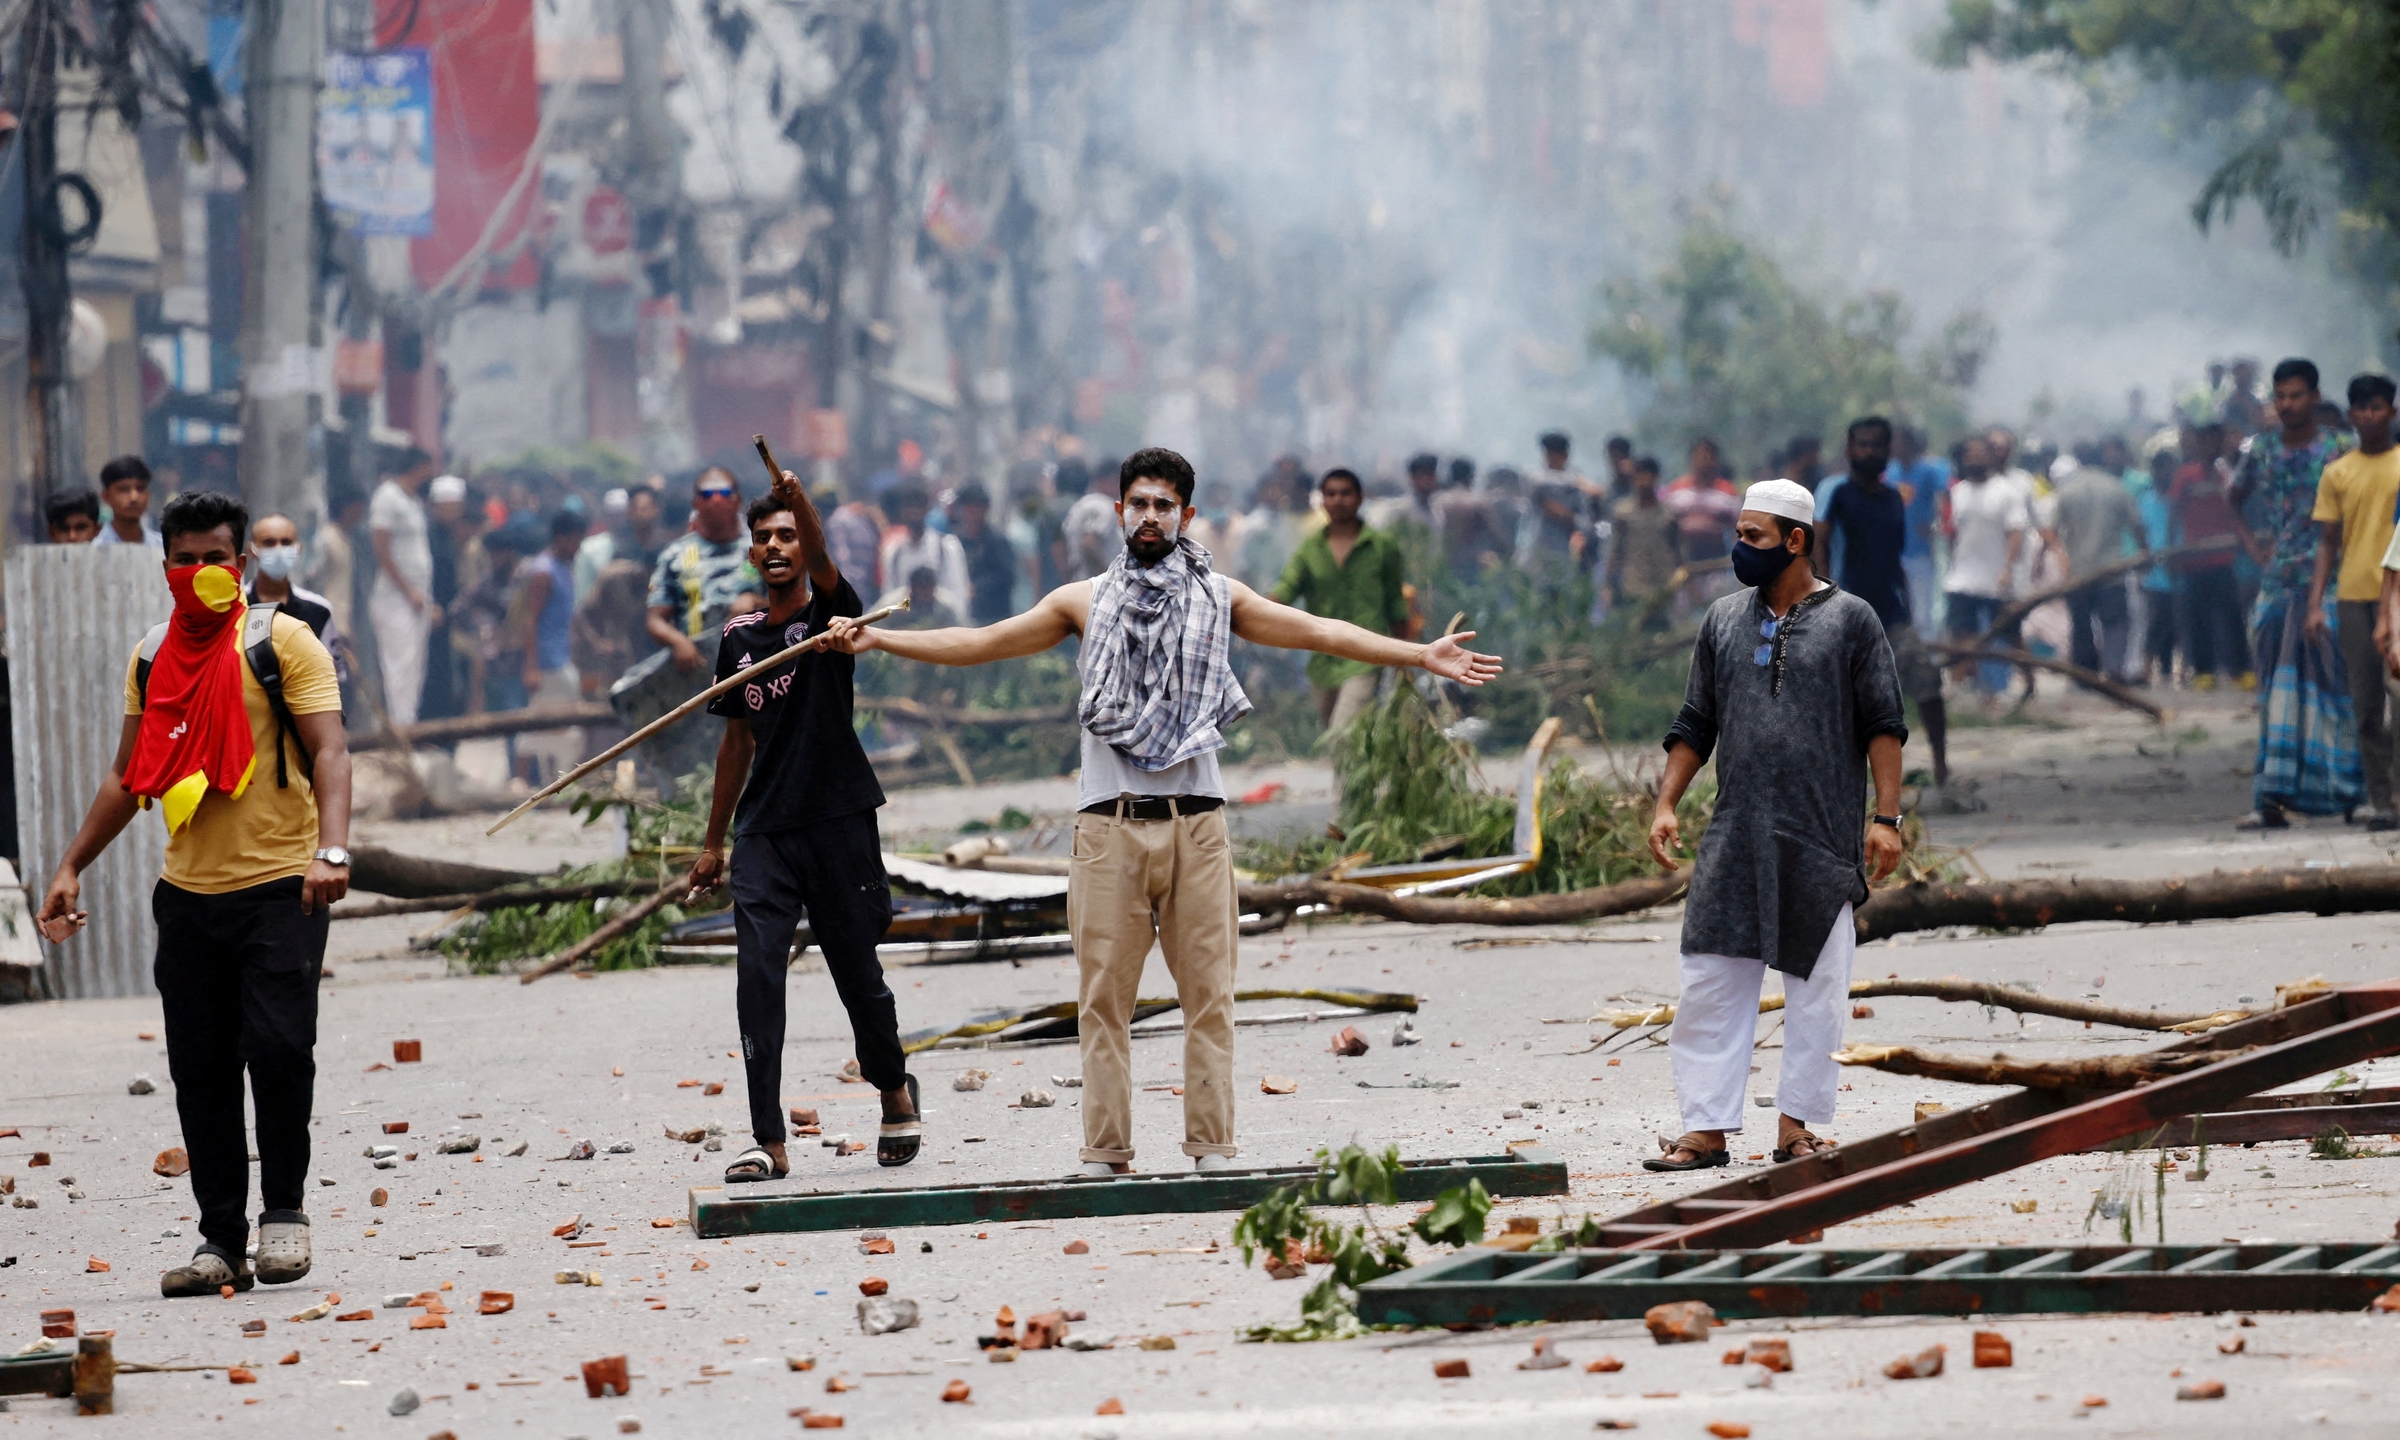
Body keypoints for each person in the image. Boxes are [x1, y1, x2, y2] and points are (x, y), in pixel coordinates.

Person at [823, 447, 1501, 1177]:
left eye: (1164, 505)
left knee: (1208, 996)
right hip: (1107, 826)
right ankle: (1105, 1154)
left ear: (1187, 516)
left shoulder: (1221, 596)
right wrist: (879, 638)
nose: (1151, 517)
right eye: (1139, 504)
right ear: (1120, 512)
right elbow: (983, 644)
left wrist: (1416, 655)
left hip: (1197, 825)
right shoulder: (1078, 601)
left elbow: (1319, 630)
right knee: (1103, 1002)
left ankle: (1211, 1149)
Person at [35, 490, 351, 1297]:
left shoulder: (284, 643)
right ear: (164, 565)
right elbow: (127, 774)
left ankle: (284, 1214)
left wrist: (332, 850)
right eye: (185, 559)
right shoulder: (151, 654)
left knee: (280, 1050)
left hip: (284, 886)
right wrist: (73, 863)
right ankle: (220, 1239)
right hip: (187, 895)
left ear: (241, 564)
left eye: (215, 557)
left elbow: (331, 755)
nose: (201, 571)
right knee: (201, 1070)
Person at [1641, 478, 1906, 1172]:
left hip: (1818, 838)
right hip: (1735, 836)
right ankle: (1705, 1130)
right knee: (1709, 980)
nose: (1738, 548)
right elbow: (1696, 721)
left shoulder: (1853, 620)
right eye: (1738, 534)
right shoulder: (1723, 620)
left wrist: (1886, 818)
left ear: (1795, 541)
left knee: (1818, 992)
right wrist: (1666, 802)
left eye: (1752, 537)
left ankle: (1796, 1128)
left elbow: (1883, 724)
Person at [683, 473, 919, 1182]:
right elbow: (735, 745)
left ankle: (894, 1089)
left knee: (857, 973)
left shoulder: (832, 622)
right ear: (753, 557)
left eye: (787, 534)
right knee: (757, 976)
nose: (776, 546)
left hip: (839, 821)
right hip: (765, 831)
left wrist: (801, 500)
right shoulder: (738, 639)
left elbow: (823, 563)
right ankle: (768, 1140)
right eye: (765, 539)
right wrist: (712, 841)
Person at [2228, 358, 2361, 829]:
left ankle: (2350, 793)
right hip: (2280, 583)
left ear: (2315, 397)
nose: (2287, 405)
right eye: (2280, 396)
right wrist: (2254, 545)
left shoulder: (2342, 448)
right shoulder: (2261, 449)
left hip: (2337, 581)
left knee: (2336, 686)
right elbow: (2234, 497)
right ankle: (2272, 797)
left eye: (2296, 395)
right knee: (2276, 692)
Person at [1816, 418, 1948, 785]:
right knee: (1843, 696)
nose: (1869, 451)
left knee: (1926, 682)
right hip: (1845, 610)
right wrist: (1824, 595)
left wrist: (1907, 604)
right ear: (1849, 450)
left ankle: (1941, 765)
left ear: (1888, 451)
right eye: (1862, 444)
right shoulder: (1838, 495)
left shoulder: (1892, 498)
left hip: (1890, 611)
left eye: (1876, 445)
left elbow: (1895, 558)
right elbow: (1819, 542)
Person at [2307, 374, 2400, 830]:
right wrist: (2314, 602)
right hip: (2352, 594)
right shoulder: (2338, 473)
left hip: (2398, 596)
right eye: (2361, 409)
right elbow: (2327, 541)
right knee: (2365, 703)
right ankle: (2382, 799)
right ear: (2351, 415)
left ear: (2392, 413)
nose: (2369, 416)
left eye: (2377, 407)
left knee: (2398, 696)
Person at [1273, 467, 1410, 736]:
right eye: (1331, 494)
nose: (1338, 500)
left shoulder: (1383, 547)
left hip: (1367, 653)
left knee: (1342, 732)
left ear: (1360, 498)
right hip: (1324, 658)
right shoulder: (1309, 550)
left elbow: (1396, 602)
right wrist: (1253, 608)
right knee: (1336, 737)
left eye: (1346, 493)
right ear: (1322, 501)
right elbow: (1285, 589)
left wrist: (1405, 655)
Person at [646, 466, 762, 673]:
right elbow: (655, 618)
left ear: (737, 500)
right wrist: (678, 641)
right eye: (707, 494)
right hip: (699, 666)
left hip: (756, 658)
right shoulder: (675, 555)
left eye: (724, 493)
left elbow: (798, 605)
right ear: (696, 503)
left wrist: (756, 603)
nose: (716, 500)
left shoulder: (762, 546)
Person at [1941, 435, 2032, 694]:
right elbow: (1953, 532)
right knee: (1962, 634)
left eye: (1981, 455)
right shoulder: (1958, 492)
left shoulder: (2006, 491)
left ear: (1991, 458)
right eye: (1970, 456)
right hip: (1963, 577)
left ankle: (2029, 682)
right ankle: (1965, 685)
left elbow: (2016, 531)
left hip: (1996, 578)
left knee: (2010, 634)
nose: (1975, 460)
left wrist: (2008, 567)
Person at [2050, 442, 2147, 683]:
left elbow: (2051, 529)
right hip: (2111, 571)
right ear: (2102, 459)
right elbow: (2136, 525)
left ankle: (2084, 674)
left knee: (2081, 624)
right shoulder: (2116, 488)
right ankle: (2114, 669)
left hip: (2078, 570)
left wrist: (2059, 557)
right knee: (2115, 623)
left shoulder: (2067, 490)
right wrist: (2145, 552)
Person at [513, 509, 590, 783]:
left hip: (560, 655)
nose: (578, 548)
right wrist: (531, 666)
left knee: (554, 722)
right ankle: (521, 777)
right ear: (561, 537)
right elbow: (530, 619)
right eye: (576, 541)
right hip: (547, 660)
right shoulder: (543, 572)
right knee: (543, 719)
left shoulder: (564, 569)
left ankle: (555, 778)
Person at [2168, 424, 2246, 688]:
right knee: (2198, 619)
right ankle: (2204, 672)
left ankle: (2241, 669)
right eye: (2206, 443)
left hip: (2223, 559)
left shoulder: (2226, 473)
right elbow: (2174, 513)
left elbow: (2234, 511)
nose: (2211, 448)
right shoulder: (2185, 475)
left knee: (2231, 616)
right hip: (2194, 561)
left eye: (2216, 442)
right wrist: (2171, 550)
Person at [367, 448, 440, 728]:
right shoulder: (388, 497)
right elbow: (382, 549)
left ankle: (408, 724)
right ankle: (399, 727)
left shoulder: (414, 502)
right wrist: (407, 589)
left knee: (415, 667)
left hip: (417, 597)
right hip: (395, 596)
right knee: (399, 664)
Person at [246, 513, 352, 687]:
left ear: (298, 549)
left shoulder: (319, 611)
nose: (278, 550)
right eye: (269, 543)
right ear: (252, 550)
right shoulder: (235, 607)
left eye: (286, 542)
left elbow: (332, 677)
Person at [877, 483, 969, 619]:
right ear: (901, 511)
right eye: (908, 507)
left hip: (940, 628)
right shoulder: (894, 552)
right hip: (905, 630)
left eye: (918, 506)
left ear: (927, 508)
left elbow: (958, 594)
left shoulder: (947, 547)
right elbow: (889, 597)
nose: (913, 512)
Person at [1888, 426, 1947, 636]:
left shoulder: (1929, 471)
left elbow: (1944, 499)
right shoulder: (1890, 472)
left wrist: (1935, 527)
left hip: (1919, 550)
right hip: (1893, 551)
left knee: (1923, 611)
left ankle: (1927, 657)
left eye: (1898, 442)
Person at [1609, 456, 1683, 614]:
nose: (1643, 480)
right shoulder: (1623, 512)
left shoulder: (1669, 514)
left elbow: (1678, 550)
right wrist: (1608, 586)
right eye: (1639, 475)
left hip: (1663, 585)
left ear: (1656, 478)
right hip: (1632, 585)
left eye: (1648, 475)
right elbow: (1615, 551)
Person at [948, 483, 1020, 627]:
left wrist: (977, 588)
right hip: (960, 617)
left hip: (993, 617)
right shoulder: (953, 541)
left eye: (976, 506)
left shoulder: (997, 542)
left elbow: (1007, 576)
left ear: (985, 508)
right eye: (967, 506)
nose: (972, 511)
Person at [1061, 456, 1125, 580]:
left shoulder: (1083, 504)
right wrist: (1105, 578)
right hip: (1095, 585)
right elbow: (1089, 543)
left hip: (1081, 580)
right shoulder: (1102, 505)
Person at [94, 456, 163, 551]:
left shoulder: (162, 548)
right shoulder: (96, 550)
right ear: (106, 496)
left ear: (148, 495)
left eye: (140, 489)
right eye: (124, 489)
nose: (134, 497)